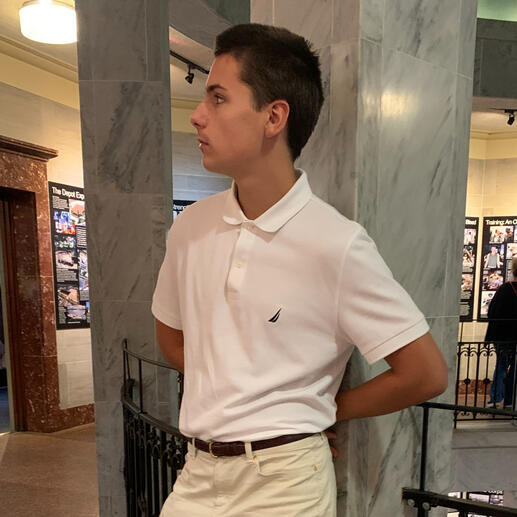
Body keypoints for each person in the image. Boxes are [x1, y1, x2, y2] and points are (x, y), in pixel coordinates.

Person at [152, 23, 448, 517]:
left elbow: (424, 373)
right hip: (196, 474)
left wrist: (318, 410)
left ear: (274, 116)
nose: (198, 116)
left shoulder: (336, 243)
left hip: (286, 484)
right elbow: (171, 337)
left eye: (218, 98)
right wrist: (234, 394)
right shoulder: (191, 228)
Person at [486, 256, 517, 407]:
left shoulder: (504, 289)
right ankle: (510, 401)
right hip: (514, 336)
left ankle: (495, 399)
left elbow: (492, 312)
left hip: (502, 336)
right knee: (514, 370)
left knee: (501, 367)